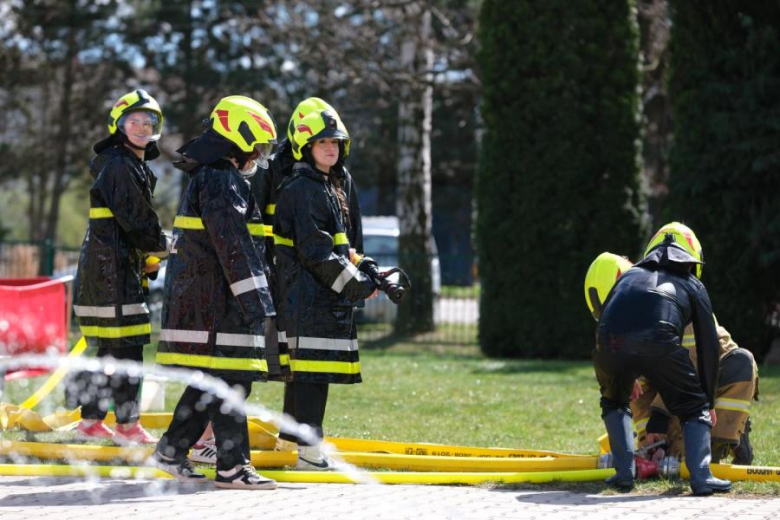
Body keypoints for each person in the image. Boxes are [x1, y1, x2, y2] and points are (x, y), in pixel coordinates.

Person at [150, 95, 278, 490]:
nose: (259, 155)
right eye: (257, 147)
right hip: (219, 306)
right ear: (239, 142)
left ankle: (171, 451)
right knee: (233, 379)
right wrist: (259, 305)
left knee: (212, 379)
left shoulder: (210, 177)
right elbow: (234, 249)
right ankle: (233, 467)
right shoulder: (223, 180)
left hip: (207, 303)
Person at [586, 222, 731, 495]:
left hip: (607, 342)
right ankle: (701, 477)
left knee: (613, 401)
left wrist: (618, 376)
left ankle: (624, 474)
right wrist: (707, 401)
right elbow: (708, 346)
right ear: (691, 262)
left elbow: (606, 320)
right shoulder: (692, 284)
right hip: (660, 340)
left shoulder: (628, 277)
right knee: (693, 404)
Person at [272, 108, 378, 469]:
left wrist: (369, 272)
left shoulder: (328, 185)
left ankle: (290, 441)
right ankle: (309, 449)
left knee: (309, 372)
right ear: (306, 146)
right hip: (305, 297)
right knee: (310, 375)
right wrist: (357, 286)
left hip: (319, 297)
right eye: (322, 142)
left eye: (335, 142)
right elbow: (317, 252)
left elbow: (343, 245)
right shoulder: (304, 188)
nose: (331, 148)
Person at [586, 251, 759, 466]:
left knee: (741, 362)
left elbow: (690, 365)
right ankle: (670, 447)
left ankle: (721, 440)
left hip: (706, 382)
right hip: (675, 393)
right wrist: (651, 441)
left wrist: (658, 420)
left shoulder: (671, 303)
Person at [72, 89, 168, 445]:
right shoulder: (118, 165)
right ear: (119, 125)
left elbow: (128, 227)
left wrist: (148, 257)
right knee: (125, 348)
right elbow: (138, 222)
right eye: (135, 122)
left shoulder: (129, 165)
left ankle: (93, 422)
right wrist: (166, 245)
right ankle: (125, 426)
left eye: (149, 122)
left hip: (115, 271)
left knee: (115, 349)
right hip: (109, 275)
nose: (143, 127)